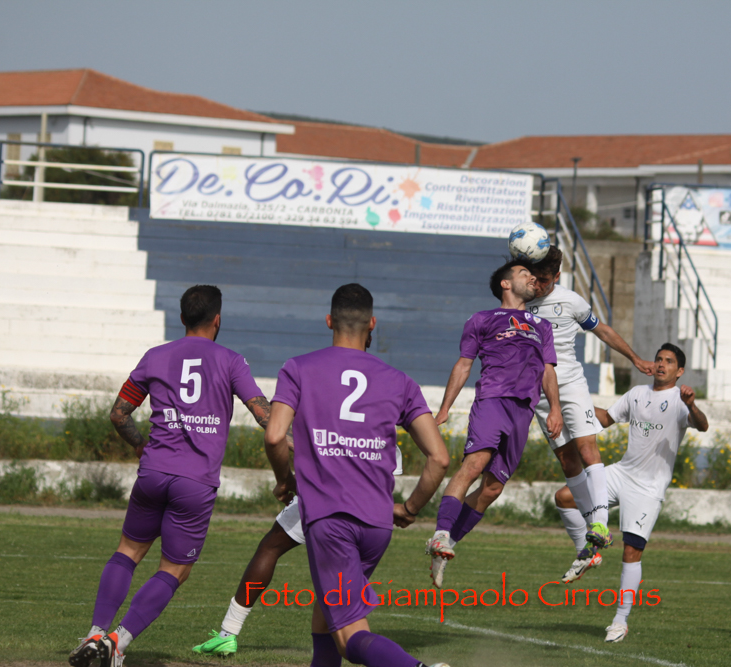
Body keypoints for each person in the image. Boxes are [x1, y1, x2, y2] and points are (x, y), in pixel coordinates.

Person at [68, 285, 271, 667]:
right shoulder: (231, 361)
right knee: (175, 569)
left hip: (153, 472)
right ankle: (118, 643)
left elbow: (118, 414)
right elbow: (264, 416)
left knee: (127, 552)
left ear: (181, 318)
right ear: (217, 319)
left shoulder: (155, 356)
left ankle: (95, 633)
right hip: (195, 483)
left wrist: (140, 445)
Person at [264, 283, 451, 667]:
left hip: (331, 520)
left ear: (329, 321)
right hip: (377, 524)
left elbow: (275, 435)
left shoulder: (299, 368)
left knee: (350, 638)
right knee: (326, 614)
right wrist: (410, 509)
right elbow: (440, 458)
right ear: (372, 324)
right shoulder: (400, 381)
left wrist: (285, 480)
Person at [555, 343, 708, 643]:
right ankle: (588, 552)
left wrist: (692, 405)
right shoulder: (637, 393)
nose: (661, 364)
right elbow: (606, 419)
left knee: (631, 552)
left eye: (669, 361)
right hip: (622, 473)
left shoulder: (680, 400)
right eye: (659, 359)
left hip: (648, 487)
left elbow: (702, 426)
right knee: (565, 498)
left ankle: (620, 621)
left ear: (680, 371)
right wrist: (573, 404)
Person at [190, 449, 404, 656]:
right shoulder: (388, 436)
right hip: (371, 515)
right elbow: (388, 482)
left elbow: (279, 438)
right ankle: (329, 649)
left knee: (270, 548)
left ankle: (228, 632)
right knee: (339, 587)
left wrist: (286, 476)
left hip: (326, 499)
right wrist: (409, 509)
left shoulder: (335, 425)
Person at [428, 260, 562, 587]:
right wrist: (444, 408)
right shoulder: (482, 319)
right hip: (493, 399)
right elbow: (464, 365)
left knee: (492, 488)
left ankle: (446, 547)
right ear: (505, 283)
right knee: (474, 464)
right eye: (523, 273)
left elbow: (547, 370)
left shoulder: (542, 326)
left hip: (523, 410)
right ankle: (440, 533)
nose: (531, 278)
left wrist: (555, 408)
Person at [526, 246, 654, 579]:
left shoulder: (571, 301)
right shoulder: (520, 301)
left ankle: (600, 523)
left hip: (570, 385)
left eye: (544, 280)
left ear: (557, 276)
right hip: (541, 393)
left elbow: (603, 330)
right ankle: (587, 547)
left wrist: (635, 359)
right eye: (534, 278)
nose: (538, 285)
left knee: (587, 449)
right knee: (568, 462)